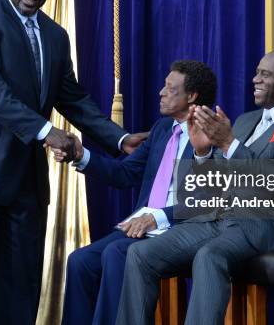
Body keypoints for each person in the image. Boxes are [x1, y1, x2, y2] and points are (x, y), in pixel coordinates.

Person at [0, 0, 147, 325]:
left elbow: (72, 98)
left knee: (21, 290)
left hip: (27, 186)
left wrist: (119, 138)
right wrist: (47, 132)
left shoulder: (55, 35)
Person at [116, 50, 274, 325]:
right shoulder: (244, 121)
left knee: (209, 256)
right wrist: (202, 154)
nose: (255, 79)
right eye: (256, 72)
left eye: (265, 75)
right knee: (141, 254)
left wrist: (230, 146)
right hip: (221, 217)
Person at [51, 60, 217, 325]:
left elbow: (210, 200)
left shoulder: (216, 133)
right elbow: (123, 174)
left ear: (192, 96)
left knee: (116, 253)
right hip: (143, 227)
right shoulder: (162, 129)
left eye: (170, 88)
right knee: (80, 261)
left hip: (182, 227)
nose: (160, 92)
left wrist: (158, 217)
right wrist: (82, 156)